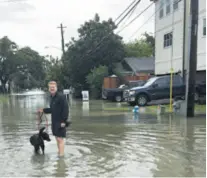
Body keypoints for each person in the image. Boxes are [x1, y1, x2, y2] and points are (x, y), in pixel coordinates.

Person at [38, 81, 69, 157]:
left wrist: (64, 121)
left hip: (61, 121)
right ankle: (59, 153)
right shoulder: (51, 98)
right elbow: (52, 109)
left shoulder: (61, 97)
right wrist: (44, 110)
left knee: (60, 139)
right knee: (56, 138)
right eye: (50, 87)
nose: (52, 88)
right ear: (49, 88)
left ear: (56, 88)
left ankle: (61, 157)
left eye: (53, 87)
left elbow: (66, 109)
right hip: (54, 121)